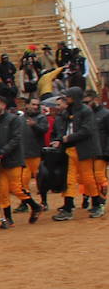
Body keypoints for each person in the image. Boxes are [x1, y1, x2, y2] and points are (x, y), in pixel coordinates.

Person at [51, 86, 102, 220]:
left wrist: (69, 138)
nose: (66, 99)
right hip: (70, 149)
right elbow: (62, 129)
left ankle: (97, 203)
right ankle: (68, 207)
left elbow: (87, 130)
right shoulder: (67, 111)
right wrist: (59, 140)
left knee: (88, 178)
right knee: (70, 179)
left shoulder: (86, 111)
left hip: (84, 149)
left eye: (68, 96)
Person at [0, 95, 38, 228]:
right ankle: (8, 219)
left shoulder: (14, 120)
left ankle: (35, 206)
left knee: (16, 187)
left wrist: (3, 151)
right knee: (2, 190)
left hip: (13, 159)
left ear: (3, 105)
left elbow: (16, 139)